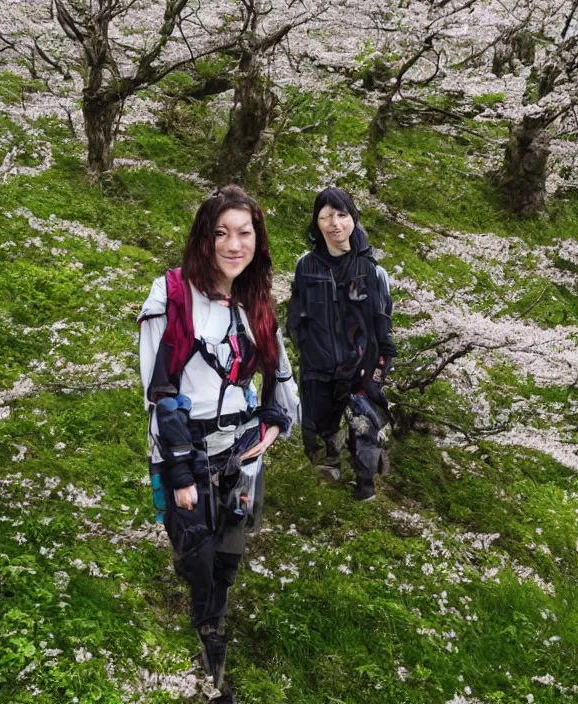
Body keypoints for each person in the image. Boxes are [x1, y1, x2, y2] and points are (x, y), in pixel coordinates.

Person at [137, 186, 299, 698]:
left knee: (230, 548)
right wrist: (179, 472)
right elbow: (157, 389)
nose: (234, 244)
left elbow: (279, 370)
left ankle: (213, 634)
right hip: (185, 450)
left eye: (245, 233)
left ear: (258, 239)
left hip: (241, 449)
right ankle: (202, 609)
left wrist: (274, 421)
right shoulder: (172, 295)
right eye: (221, 233)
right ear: (204, 238)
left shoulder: (257, 300)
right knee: (195, 554)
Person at [287, 186, 396, 502]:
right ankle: (327, 483)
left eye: (341, 215)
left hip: (359, 367)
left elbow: (382, 329)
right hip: (318, 367)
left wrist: (375, 371)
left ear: (352, 218)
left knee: (363, 427)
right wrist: (308, 351)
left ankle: (366, 486)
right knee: (320, 432)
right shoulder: (305, 265)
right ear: (316, 223)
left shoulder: (373, 271)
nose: (335, 223)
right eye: (326, 217)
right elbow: (296, 316)